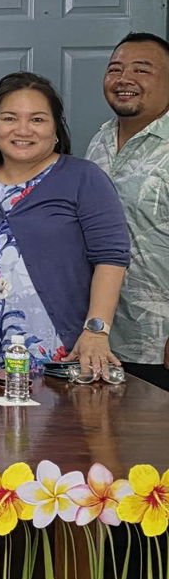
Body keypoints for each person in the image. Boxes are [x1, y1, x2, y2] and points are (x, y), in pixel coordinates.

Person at [0, 72, 129, 378]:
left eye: (37, 119)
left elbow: (111, 258)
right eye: (9, 118)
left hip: (69, 354)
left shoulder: (84, 178)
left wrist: (96, 332)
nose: (22, 130)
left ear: (55, 128)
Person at [86, 33, 169, 390]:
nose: (124, 79)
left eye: (142, 69)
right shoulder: (100, 138)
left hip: (156, 339)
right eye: (115, 69)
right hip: (97, 337)